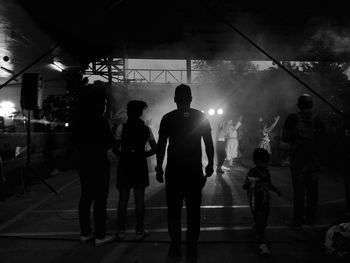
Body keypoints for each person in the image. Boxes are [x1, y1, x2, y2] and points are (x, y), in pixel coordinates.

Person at [156, 84, 214, 262]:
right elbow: (208, 143)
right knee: (193, 211)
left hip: (174, 171)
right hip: (193, 171)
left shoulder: (168, 118)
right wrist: (210, 164)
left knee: (173, 211)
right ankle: (191, 248)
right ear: (190, 99)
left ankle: (175, 247)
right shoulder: (200, 116)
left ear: (175, 100)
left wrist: (159, 167)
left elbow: (162, 145)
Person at [72, 88, 115, 246]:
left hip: (83, 163)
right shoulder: (101, 121)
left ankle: (85, 233)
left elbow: (75, 142)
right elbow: (109, 144)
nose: (104, 106)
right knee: (100, 200)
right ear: (97, 104)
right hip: (99, 163)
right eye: (103, 103)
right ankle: (100, 235)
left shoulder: (79, 121)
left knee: (85, 197)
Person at [113, 100, 156, 240]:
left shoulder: (121, 128)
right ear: (140, 113)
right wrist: (142, 155)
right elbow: (155, 148)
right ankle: (139, 230)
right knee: (139, 199)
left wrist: (125, 156)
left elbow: (115, 148)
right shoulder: (146, 129)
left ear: (128, 112)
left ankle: (121, 231)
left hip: (125, 164)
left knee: (123, 198)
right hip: (140, 165)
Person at [282, 94, 325, 228]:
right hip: (313, 160)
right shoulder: (317, 119)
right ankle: (311, 218)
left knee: (299, 192)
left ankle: (298, 220)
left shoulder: (292, 118)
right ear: (311, 105)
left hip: (298, 160)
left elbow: (285, 137)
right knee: (313, 192)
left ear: (298, 105)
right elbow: (324, 138)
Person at [243, 148, 282, 256]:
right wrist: (249, 184)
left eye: (266, 162)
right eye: (262, 162)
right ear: (256, 161)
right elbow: (245, 185)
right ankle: (262, 243)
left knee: (264, 221)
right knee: (260, 220)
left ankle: (258, 229)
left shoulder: (267, 172)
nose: (264, 164)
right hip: (255, 201)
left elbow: (269, 184)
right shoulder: (252, 173)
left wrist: (276, 190)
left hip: (265, 201)